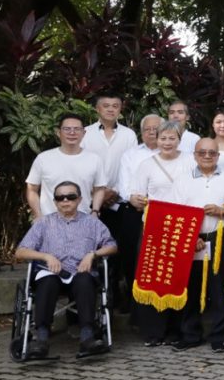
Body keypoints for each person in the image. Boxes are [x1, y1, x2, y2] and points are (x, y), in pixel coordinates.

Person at [14, 181, 118, 358]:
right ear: (55, 202)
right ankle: (41, 340)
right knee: (47, 281)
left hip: (80, 273)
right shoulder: (44, 223)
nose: (65, 201)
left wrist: (92, 254)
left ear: (79, 199)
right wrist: (46, 256)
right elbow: (20, 252)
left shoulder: (92, 223)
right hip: (52, 273)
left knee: (85, 279)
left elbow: (112, 246)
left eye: (70, 197)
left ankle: (87, 338)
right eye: (60, 198)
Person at [169, 137, 224, 352]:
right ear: (195, 155)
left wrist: (222, 211)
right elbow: (175, 213)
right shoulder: (182, 179)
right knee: (190, 287)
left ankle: (219, 336)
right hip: (193, 239)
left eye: (212, 153)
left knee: (219, 289)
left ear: (218, 155)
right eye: (202, 153)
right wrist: (190, 238)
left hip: (220, 236)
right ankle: (191, 334)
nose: (207, 156)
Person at [130, 120, 194, 346]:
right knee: (154, 277)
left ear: (180, 140)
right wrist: (135, 199)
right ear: (156, 139)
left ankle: (176, 330)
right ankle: (153, 332)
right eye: (163, 138)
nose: (167, 142)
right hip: (154, 228)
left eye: (172, 138)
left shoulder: (190, 161)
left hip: (181, 227)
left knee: (178, 278)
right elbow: (136, 197)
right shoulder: (146, 165)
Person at [112, 114, 162, 311]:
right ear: (141, 132)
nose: (152, 132)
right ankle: (134, 299)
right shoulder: (130, 154)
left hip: (161, 211)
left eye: (156, 129)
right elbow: (123, 183)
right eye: (147, 129)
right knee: (131, 254)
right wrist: (131, 198)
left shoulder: (171, 152)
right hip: (134, 209)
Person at [26, 113, 107, 221]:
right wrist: (38, 214)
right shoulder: (43, 158)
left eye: (77, 129)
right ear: (58, 133)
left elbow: (100, 188)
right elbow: (32, 189)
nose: (72, 132)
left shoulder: (95, 159)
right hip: (49, 222)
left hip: (83, 221)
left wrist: (95, 211)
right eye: (67, 129)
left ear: (84, 133)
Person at [81, 92, 137, 214]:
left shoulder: (129, 135)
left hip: (118, 200)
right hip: (88, 199)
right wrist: (96, 191)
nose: (111, 109)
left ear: (120, 109)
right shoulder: (85, 133)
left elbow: (132, 167)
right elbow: (79, 165)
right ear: (97, 108)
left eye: (115, 106)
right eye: (106, 106)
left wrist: (115, 191)